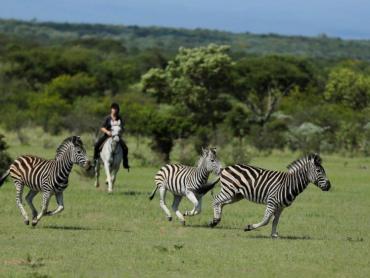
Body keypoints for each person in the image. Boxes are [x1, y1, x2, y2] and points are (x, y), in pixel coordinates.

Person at [93, 103, 129, 171]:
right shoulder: (107, 118)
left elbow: (122, 127)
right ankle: (95, 160)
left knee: (125, 148)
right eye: (113, 109)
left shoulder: (119, 118)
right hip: (107, 136)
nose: (114, 110)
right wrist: (107, 132)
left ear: (118, 110)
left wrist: (121, 131)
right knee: (96, 145)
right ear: (111, 109)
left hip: (117, 136)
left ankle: (125, 163)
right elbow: (102, 127)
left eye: (116, 109)